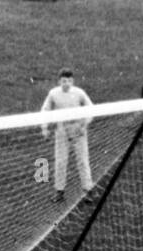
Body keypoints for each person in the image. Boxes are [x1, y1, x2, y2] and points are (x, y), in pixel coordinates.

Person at [40, 69, 96, 204]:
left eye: (69, 81)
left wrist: (84, 125)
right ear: (59, 81)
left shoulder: (79, 93)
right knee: (60, 161)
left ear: (73, 81)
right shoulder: (53, 93)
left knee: (82, 160)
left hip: (78, 130)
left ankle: (88, 191)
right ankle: (59, 192)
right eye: (64, 81)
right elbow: (45, 110)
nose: (67, 83)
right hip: (62, 131)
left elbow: (91, 108)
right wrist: (45, 128)